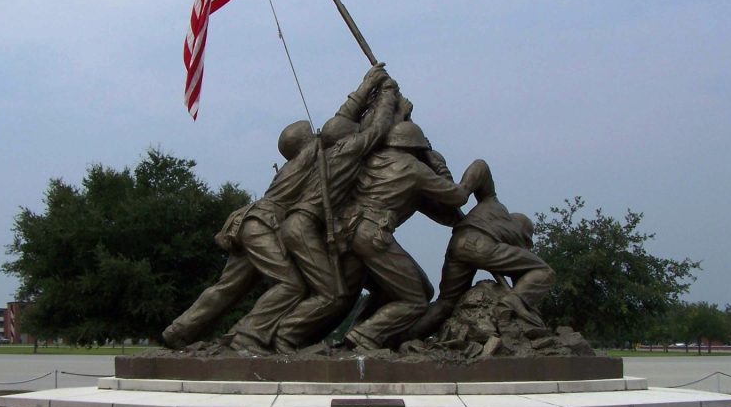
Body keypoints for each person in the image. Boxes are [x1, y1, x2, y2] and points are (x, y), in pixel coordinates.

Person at [236, 64, 397, 352]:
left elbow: (343, 119)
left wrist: (366, 90)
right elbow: (379, 128)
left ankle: (268, 335)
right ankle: (278, 336)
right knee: (332, 294)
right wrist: (386, 94)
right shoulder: (347, 151)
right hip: (301, 227)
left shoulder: (318, 155)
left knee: (318, 289)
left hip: (296, 227)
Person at [161, 120, 317, 350]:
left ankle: (178, 331)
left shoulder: (291, 165)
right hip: (262, 225)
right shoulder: (306, 158)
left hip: (250, 224)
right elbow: (339, 133)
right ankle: (246, 335)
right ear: (306, 141)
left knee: (228, 287)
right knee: (292, 285)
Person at [337, 121, 472, 350]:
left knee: (417, 290)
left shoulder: (373, 160)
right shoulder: (414, 169)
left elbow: (447, 216)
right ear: (416, 148)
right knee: (415, 300)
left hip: (349, 232)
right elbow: (457, 196)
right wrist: (439, 165)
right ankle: (365, 336)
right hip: (372, 235)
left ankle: (357, 334)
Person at [408, 160, 554, 340]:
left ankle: (402, 339)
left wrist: (464, 188)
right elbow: (522, 278)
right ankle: (507, 306)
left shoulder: (491, 202)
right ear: (525, 234)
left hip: (457, 243)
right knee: (543, 270)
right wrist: (522, 304)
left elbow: (481, 166)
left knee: (445, 303)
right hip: (482, 246)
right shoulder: (516, 231)